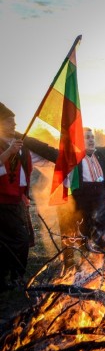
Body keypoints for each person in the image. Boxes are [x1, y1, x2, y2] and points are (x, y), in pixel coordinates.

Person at [23, 127, 105, 263]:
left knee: (101, 242)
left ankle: (99, 269)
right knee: (77, 241)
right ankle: (73, 269)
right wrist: (22, 137)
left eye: (92, 137)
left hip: (100, 208)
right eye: (87, 137)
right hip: (79, 207)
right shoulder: (71, 158)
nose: (91, 140)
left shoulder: (101, 155)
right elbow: (45, 150)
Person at [0, 103, 35, 290]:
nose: (14, 126)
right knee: (18, 239)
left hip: (17, 201)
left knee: (15, 240)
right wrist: (9, 152)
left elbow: (25, 172)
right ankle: (16, 276)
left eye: (15, 123)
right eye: (9, 123)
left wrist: (24, 194)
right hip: (2, 202)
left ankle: (10, 276)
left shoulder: (21, 146)